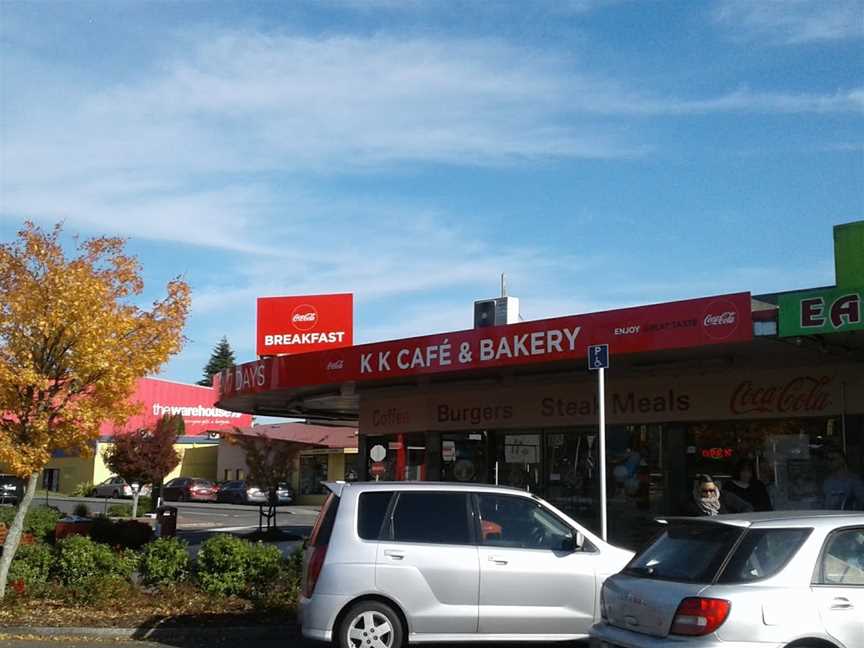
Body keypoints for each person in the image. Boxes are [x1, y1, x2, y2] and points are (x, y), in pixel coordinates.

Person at [687, 474, 752, 516]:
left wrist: (735, 520)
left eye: (711, 490)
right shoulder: (690, 503)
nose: (708, 494)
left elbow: (747, 507)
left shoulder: (725, 496)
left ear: (715, 488)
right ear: (698, 489)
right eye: (704, 491)